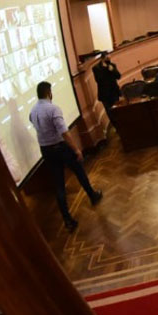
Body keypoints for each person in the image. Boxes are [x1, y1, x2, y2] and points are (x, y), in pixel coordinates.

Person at [28, 82, 102, 232]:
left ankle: (67, 220)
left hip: (46, 150)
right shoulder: (53, 109)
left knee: (59, 184)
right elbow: (64, 133)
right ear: (48, 93)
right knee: (79, 171)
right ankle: (92, 196)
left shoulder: (32, 111)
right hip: (60, 147)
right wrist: (76, 149)